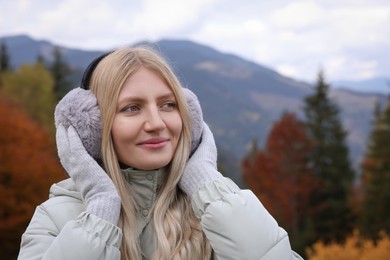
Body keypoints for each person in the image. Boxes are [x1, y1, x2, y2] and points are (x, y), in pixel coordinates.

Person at [18, 47, 303, 260]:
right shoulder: (55, 219)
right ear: (93, 128)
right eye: (131, 107)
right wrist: (100, 213)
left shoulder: (215, 212)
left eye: (168, 105)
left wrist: (205, 183)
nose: (156, 123)